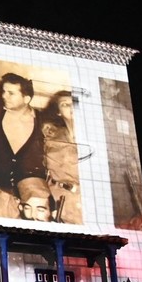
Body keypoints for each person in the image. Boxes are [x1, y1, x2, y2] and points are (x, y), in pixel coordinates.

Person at [0, 73, 45, 194]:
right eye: (4, 91)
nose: (4, 96)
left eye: (11, 93)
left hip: (29, 192)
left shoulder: (43, 121)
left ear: (26, 99)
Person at [40, 90, 82, 224]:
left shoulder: (96, 137)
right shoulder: (50, 137)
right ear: (58, 111)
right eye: (65, 104)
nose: (71, 107)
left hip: (85, 198)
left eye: (74, 103)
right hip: (59, 197)